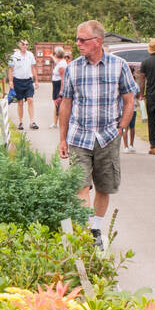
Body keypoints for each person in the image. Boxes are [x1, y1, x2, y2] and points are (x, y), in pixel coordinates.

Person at [58, 20, 137, 249]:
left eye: (83, 40)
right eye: (77, 39)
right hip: (79, 137)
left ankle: (96, 228)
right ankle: (86, 232)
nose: (78, 43)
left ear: (98, 41)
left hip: (108, 136)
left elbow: (129, 99)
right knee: (80, 186)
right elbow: (66, 103)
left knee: (104, 186)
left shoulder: (118, 65)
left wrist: (121, 127)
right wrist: (62, 138)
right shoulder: (73, 67)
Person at [8, 39, 38, 130]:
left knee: (30, 100)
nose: (25, 46)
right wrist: (10, 81)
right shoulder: (14, 56)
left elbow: (33, 68)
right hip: (18, 81)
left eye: (27, 44)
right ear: (19, 44)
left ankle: (32, 122)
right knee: (20, 102)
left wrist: (36, 81)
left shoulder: (30, 55)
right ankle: (20, 122)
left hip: (28, 81)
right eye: (23, 44)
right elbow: (11, 70)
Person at [50, 45, 68, 128]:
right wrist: (52, 57)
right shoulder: (61, 62)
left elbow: (63, 79)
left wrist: (61, 91)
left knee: (58, 105)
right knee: (56, 105)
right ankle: (55, 122)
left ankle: (60, 123)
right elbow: (56, 61)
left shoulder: (61, 65)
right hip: (56, 84)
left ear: (57, 54)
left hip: (58, 85)